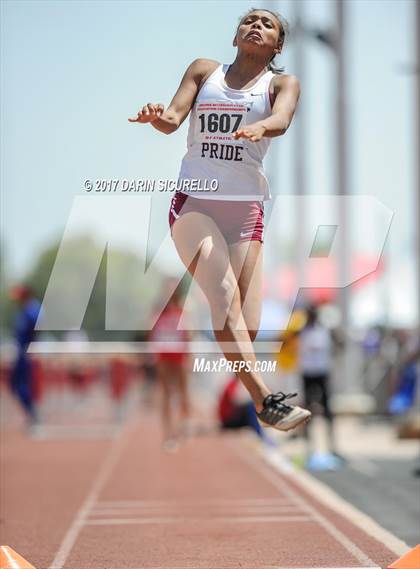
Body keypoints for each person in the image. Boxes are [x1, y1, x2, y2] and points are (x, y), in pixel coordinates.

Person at [129, 8, 311, 431]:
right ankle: (265, 399)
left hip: (246, 210)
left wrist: (261, 127)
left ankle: (246, 390)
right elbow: (173, 121)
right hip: (197, 203)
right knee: (224, 293)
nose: (255, 26)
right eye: (249, 20)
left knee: (246, 323)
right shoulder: (203, 72)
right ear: (235, 36)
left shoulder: (281, 83)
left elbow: (282, 118)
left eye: (267, 24)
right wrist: (157, 116)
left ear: (277, 45)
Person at [149, 284, 192, 451]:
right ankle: (168, 434)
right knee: (166, 394)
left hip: (179, 355)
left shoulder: (183, 310)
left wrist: (189, 355)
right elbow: (152, 332)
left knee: (183, 392)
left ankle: (184, 424)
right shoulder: (159, 311)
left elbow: (188, 333)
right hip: (164, 355)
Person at [299, 305, 339, 457]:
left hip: (322, 373)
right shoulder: (301, 331)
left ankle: (332, 445)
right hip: (308, 373)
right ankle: (309, 446)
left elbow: (341, 342)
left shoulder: (325, 330)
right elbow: (282, 340)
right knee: (307, 410)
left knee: (327, 410)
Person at [9, 284, 41, 430]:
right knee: (15, 385)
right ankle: (32, 415)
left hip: (27, 353)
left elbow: (37, 329)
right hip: (21, 352)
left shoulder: (33, 309)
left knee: (23, 386)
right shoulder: (24, 310)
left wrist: (33, 348)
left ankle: (34, 416)